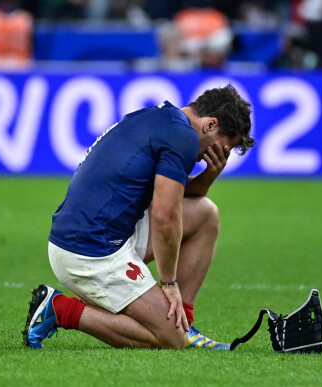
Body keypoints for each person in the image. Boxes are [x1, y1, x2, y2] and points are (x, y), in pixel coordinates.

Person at [22, 85, 254, 350]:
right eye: (222, 148)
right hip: (89, 251)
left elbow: (183, 194)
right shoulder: (183, 137)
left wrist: (211, 173)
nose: (213, 155)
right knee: (172, 341)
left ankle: (184, 324)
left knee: (205, 214)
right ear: (211, 125)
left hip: (96, 232)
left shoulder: (160, 118)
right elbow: (165, 215)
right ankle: (60, 309)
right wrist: (169, 284)